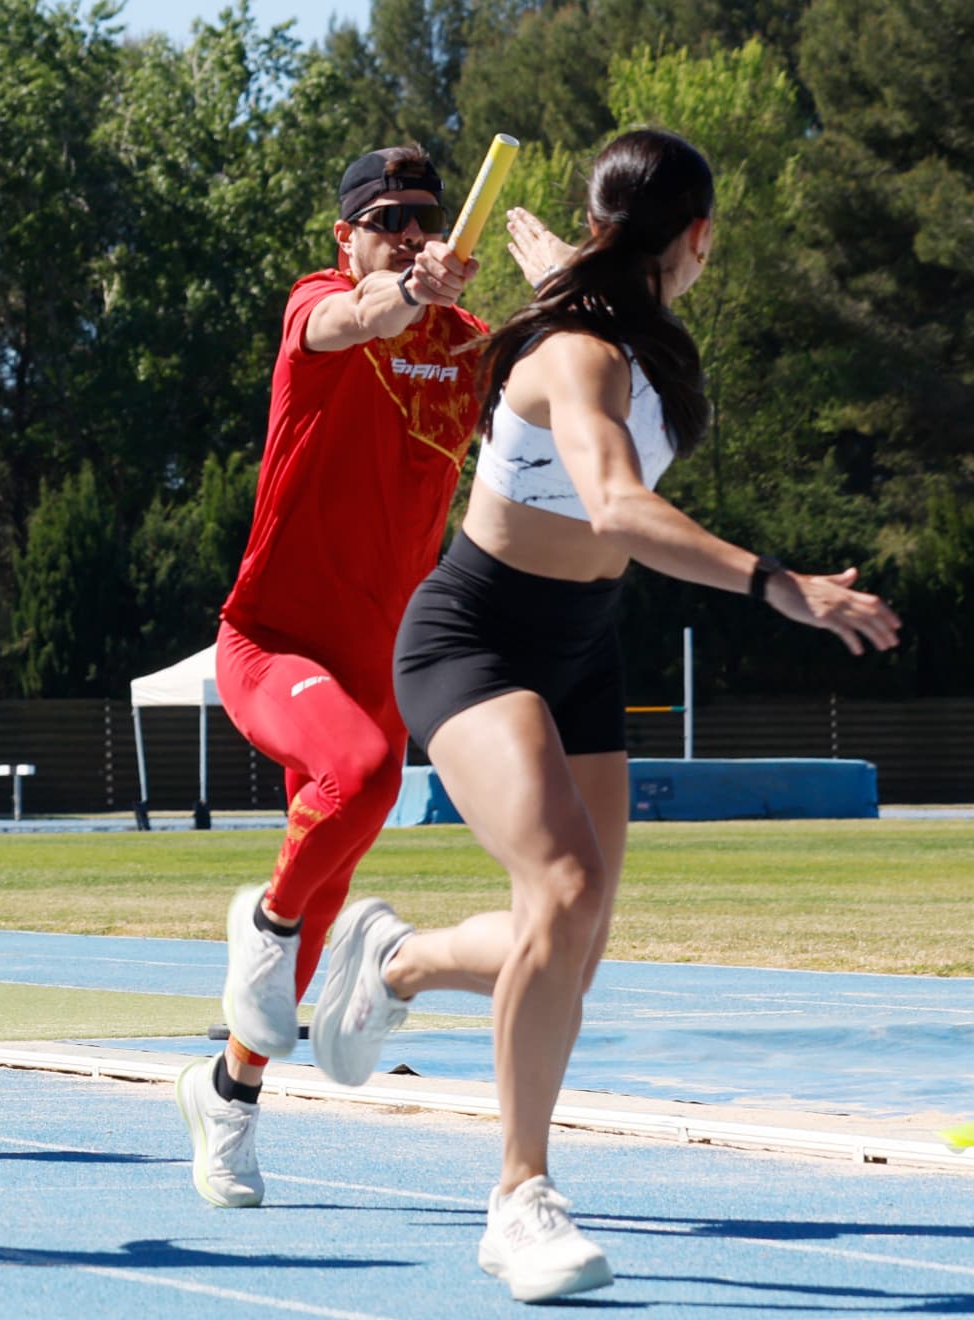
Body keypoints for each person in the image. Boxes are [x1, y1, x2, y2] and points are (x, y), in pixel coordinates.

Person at [316, 129, 899, 1302]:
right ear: (697, 238)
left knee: (570, 951)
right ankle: (519, 1199)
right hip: (472, 639)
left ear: (603, 228)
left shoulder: (611, 324)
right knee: (567, 896)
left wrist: (559, 267)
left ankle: (395, 960)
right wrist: (781, 584)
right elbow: (619, 503)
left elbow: (576, 308)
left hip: (579, 649)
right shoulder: (583, 351)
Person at [176, 146, 570, 1206]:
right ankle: (261, 925)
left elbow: (575, 385)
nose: (405, 230)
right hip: (270, 644)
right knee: (361, 776)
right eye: (383, 218)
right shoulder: (321, 306)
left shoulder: (474, 350)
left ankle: (228, 1094)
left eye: (423, 218)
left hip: (384, 666)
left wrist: (576, 296)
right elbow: (351, 321)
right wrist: (400, 290)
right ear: (344, 237)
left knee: (339, 847)